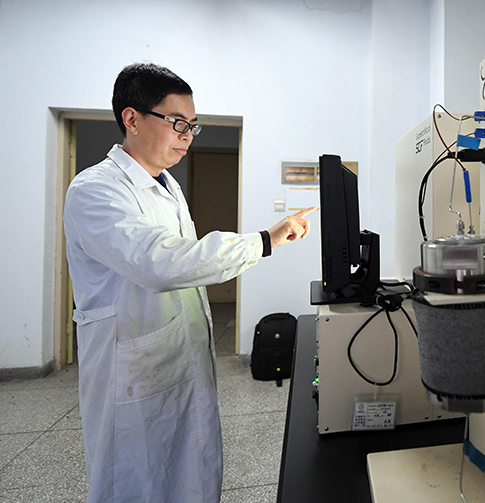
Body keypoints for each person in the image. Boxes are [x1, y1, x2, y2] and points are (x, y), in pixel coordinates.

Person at [63, 63, 316, 502]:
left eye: (192, 126)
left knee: (188, 473)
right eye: (177, 122)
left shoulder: (168, 188)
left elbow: (185, 263)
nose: (187, 135)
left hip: (179, 359)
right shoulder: (95, 189)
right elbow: (160, 262)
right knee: (136, 481)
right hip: (134, 371)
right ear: (132, 118)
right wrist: (264, 240)